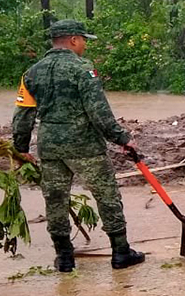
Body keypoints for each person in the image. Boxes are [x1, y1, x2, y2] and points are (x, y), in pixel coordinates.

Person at [12, 20, 144, 272]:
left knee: (55, 201)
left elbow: (23, 115)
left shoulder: (32, 72)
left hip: (50, 148)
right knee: (107, 196)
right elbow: (99, 111)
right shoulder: (83, 69)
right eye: (83, 40)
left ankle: (64, 258)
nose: (85, 45)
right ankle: (121, 252)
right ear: (73, 40)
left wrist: (20, 147)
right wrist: (122, 138)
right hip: (85, 147)